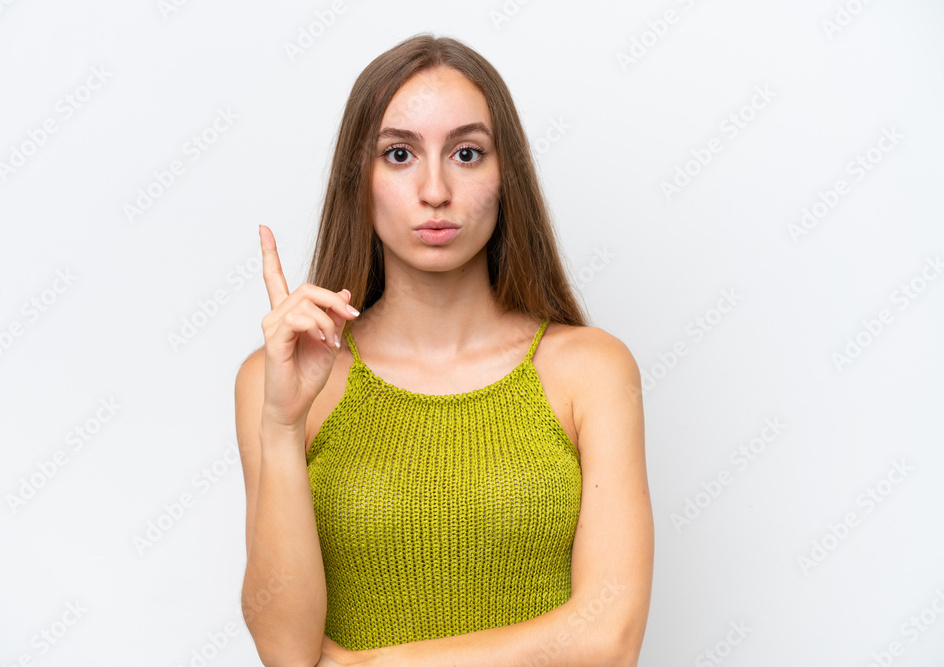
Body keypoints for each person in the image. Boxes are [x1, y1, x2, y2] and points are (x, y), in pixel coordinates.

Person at [234, 33, 653, 666]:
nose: (435, 190)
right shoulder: (282, 381)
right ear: (360, 176)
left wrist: (380, 663)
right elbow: (288, 655)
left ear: (504, 173)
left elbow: (609, 639)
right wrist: (281, 424)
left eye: (466, 153)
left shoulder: (589, 369)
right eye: (399, 154)